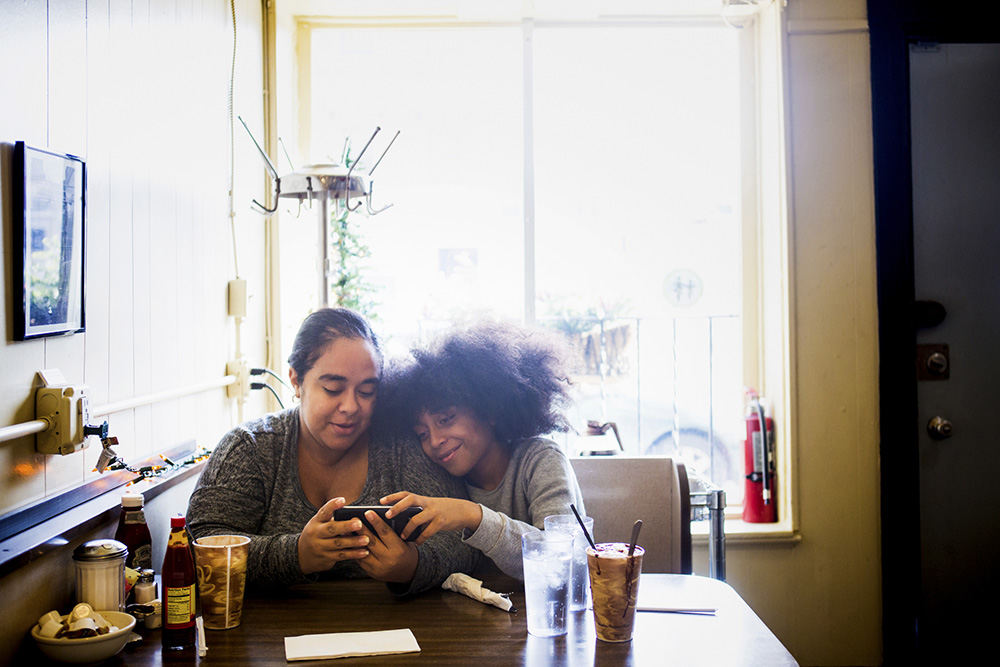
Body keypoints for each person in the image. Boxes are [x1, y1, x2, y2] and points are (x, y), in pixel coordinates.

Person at [186, 308, 477, 594]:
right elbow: (198, 549)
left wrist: (412, 566)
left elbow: (464, 541)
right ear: (296, 381)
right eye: (333, 388)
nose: (350, 407)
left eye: (366, 392)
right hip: (266, 637)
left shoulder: (401, 446)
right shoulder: (250, 448)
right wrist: (296, 555)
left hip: (393, 633)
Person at [379, 321, 586, 579]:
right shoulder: (439, 478)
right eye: (422, 433)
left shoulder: (541, 461)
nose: (434, 441)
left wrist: (473, 516)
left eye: (446, 420)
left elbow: (560, 563)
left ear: (489, 410)